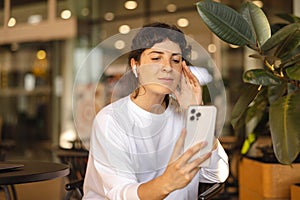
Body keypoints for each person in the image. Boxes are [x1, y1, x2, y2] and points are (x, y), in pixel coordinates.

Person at [83, 22, 229, 200]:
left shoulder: (187, 115)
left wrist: (196, 112)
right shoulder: (111, 120)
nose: (167, 66)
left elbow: (216, 174)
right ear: (135, 66)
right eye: (155, 58)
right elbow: (121, 194)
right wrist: (167, 182)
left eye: (175, 60)